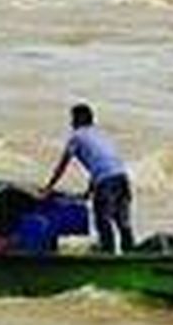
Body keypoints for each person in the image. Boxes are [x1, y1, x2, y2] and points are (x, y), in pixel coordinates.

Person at [42, 103, 134, 253]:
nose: (70, 123)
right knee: (123, 221)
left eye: (72, 119)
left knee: (103, 220)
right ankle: (130, 254)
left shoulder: (77, 136)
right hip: (122, 178)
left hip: (106, 183)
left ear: (79, 119)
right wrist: (89, 191)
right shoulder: (101, 135)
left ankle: (108, 255)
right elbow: (102, 164)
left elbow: (62, 165)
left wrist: (48, 188)